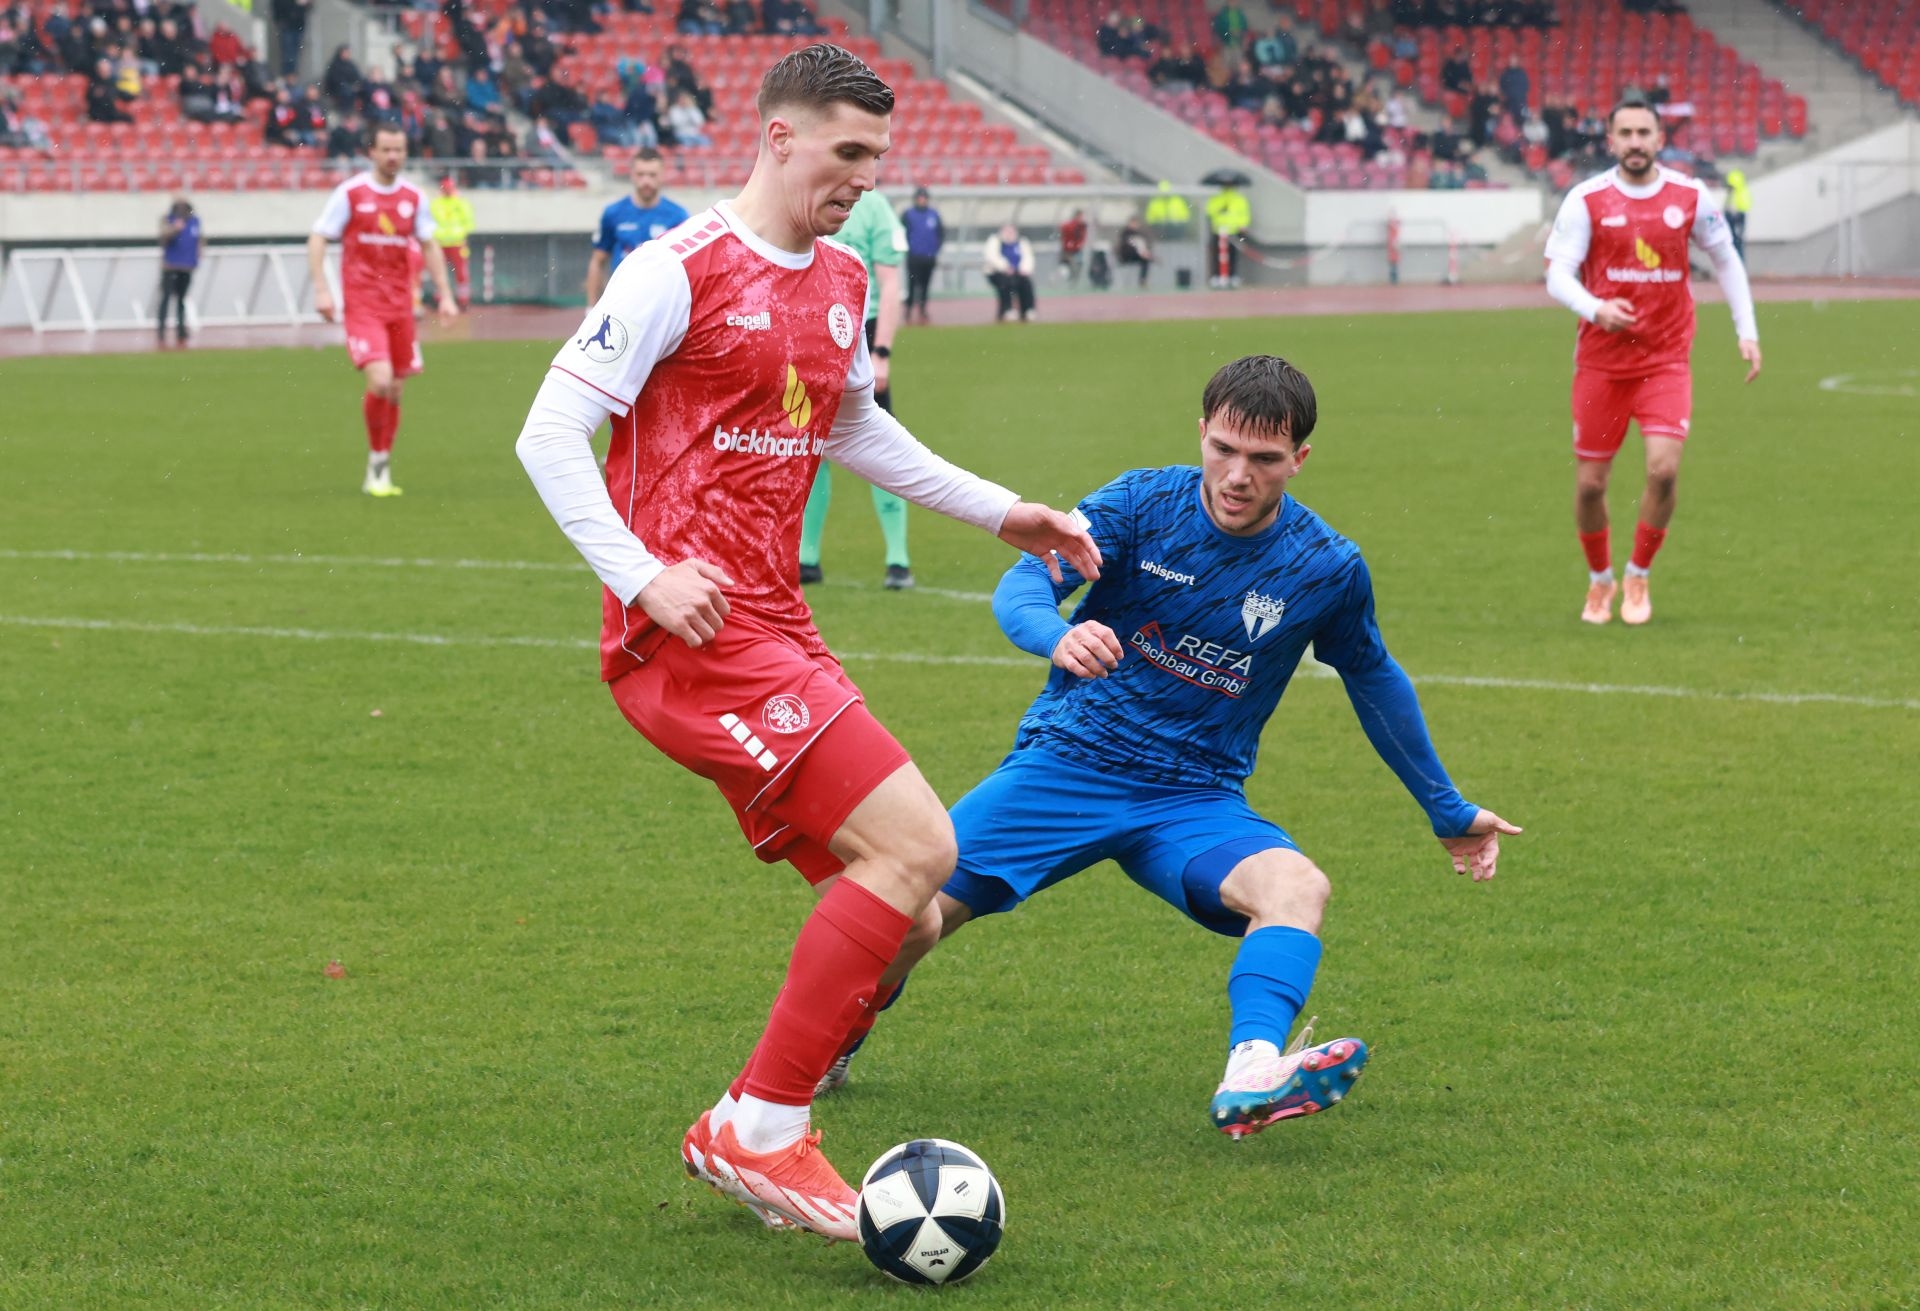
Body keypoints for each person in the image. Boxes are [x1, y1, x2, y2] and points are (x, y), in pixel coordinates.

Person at [510, 42, 1099, 1242]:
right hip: (693, 635)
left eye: (876, 159)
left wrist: (1004, 513)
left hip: (779, 625)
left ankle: (765, 1112)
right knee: (920, 846)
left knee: (917, 912)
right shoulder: (674, 269)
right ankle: (760, 1125)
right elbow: (547, 433)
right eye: (847, 153)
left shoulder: (840, 277)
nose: (863, 179)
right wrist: (643, 576)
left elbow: (855, 428)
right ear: (777, 137)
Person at [816, 355, 1522, 1136]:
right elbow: (1023, 586)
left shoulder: (1325, 566)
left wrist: (1446, 807)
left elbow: (1374, 678)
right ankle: (836, 1036)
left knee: (1298, 887)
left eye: (1264, 459)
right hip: (1068, 765)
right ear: (1202, 433)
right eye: (1223, 449)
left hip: (1194, 797)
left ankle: (1253, 1068)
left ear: (1300, 460)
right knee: (908, 914)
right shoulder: (1139, 504)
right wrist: (1058, 634)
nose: (1237, 475)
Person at [1544, 95, 1761, 626]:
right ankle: (1601, 582)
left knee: (1663, 472)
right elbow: (1557, 276)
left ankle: (1638, 572)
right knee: (1592, 484)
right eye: (1626, 133)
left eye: (1645, 133)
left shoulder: (1689, 195)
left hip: (1666, 359)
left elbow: (1726, 258)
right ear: (1611, 140)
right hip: (1601, 365)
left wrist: (1747, 330)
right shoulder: (1586, 199)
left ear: (1661, 140)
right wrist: (1596, 308)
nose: (1636, 142)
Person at [308, 123, 460, 498]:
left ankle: (381, 463)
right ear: (371, 152)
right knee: (379, 379)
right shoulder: (351, 194)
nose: (393, 157)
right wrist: (322, 289)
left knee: (394, 389)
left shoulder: (413, 196)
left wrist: (445, 293)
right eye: (387, 149)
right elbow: (318, 236)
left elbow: (429, 245)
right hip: (363, 305)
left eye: (400, 150)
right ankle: (376, 464)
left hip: (400, 307)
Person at [798, 187, 914, 591]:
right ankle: (806, 559)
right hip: (812, 334)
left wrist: (880, 351)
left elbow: (890, 283)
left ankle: (898, 559)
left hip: (861, 335)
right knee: (810, 445)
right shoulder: (812, 197)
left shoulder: (877, 208)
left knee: (882, 447)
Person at [585, 148, 688, 304]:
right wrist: (591, 307)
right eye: (641, 174)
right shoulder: (613, 212)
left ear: (662, 176)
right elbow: (598, 261)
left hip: (662, 302)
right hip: (622, 300)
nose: (646, 181)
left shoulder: (678, 215)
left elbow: (688, 266)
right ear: (632, 175)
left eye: (652, 175)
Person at [156, 197, 200, 346]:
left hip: (186, 267)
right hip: (170, 267)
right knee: (166, 299)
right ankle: (161, 331)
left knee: (182, 300)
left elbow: (198, 241)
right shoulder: (167, 220)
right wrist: (174, 228)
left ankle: (181, 329)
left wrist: (196, 259)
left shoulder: (194, 221)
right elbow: (163, 238)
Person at [429, 174, 475, 309]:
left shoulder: (460, 203)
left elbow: (469, 221)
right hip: (439, 243)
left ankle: (463, 300)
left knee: (461, 273)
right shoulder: (436, 203)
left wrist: (460, 234)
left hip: (457, 243)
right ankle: (439, 299)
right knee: (439, 272)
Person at [898, 185, 942, 323]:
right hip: (914, 256)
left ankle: (922, 309)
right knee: (912, 284)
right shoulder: (908, 214)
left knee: (925, 284)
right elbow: (901, 232)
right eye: (920, 198)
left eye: (924, 198)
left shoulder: (933, 214)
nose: (922, 200)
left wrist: (935, 249)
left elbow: (940, 234)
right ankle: (909, 309)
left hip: (929, 257)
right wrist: (907, 249)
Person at [983, 222, 1036, 322]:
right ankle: (1007, 309)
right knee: (1006, 284)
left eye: (1011, 231)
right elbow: (992, 257)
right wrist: (1006, 267)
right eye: (1007, 231)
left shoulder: (1021, 242)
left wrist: (1024, 269)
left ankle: (1028, 309)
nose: (1009, 233)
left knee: (1026, 283)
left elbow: (1028, 257)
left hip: (1018, 273)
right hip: (997, 273)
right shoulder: (995, 241)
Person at [1205, 180, 1251, 288]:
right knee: (1218, 255)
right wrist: (1220, 209)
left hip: (1233, 231)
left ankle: (1232, 276)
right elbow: (1209, 211)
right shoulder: (1216, 199)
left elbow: (1244, 214)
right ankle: (1217, 275)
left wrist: (1243, 225)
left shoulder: (1239, 199)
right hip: (1219, 230)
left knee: (1233, 255)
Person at [1115, 212, 1154, 287]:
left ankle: (1143, 281)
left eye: (1136, 223)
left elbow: (1143, 245)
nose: (1134, 225)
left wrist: (1145, 252)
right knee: (1144, 257)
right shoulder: (1125, 233)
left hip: (1136, 256)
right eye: (1133, 223)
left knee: (1145, 260)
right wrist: (1140, 252)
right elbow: (1128, 245)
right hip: (1126, 256)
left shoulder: (1139, 234)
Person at [1723, 168, 1751, 262]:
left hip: (1737, 216)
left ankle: (1738, 261)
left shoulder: (1737, 192)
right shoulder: (1737, 192)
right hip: (1734, 216)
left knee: (1737, 241)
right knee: (1733, 241)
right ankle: (1736, 261)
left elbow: (1736, 206)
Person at [1057, 207, 1088, 284]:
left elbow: (1082, 238)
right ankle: (1068, 282)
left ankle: (1074, 282)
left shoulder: (1082, 226)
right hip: (1068, 250)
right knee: (1070, 267)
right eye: (1080, 216)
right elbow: (1064, 231)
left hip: (1077, 250)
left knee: (1078, 266)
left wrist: (1079, 244)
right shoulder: (1070, 225)